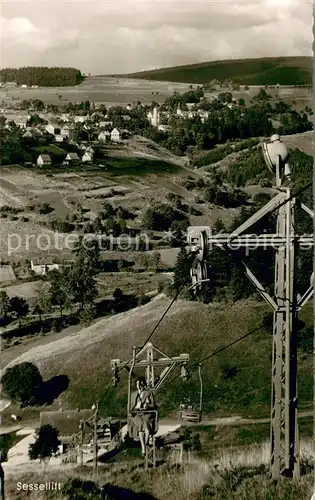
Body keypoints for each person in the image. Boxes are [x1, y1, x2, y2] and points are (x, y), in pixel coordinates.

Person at [129, 377, 157, 456]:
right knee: (142, 424)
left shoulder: (148, 393)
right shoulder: (133, 395)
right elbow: (130, 407)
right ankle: (144, 446)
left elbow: (153, 405)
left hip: (146, 413)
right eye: (138, 385)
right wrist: (135, 407)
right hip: (137, 415)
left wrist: (147, 405)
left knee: (145, 426)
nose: (139, 387)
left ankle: (144, 447)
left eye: (140, 384)